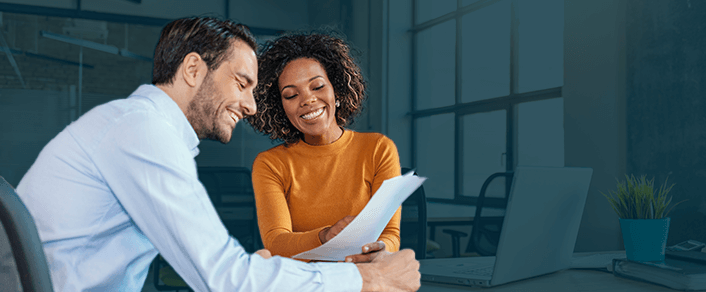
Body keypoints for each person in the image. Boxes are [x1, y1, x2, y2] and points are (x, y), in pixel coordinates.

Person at [15, 17, 420, 292]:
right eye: (242, 83)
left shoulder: (138, 128)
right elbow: (222, 278)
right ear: (193, 70)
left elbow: (217, 270)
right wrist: (367, 281)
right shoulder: (141, 132)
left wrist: (261, 269)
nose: (252, 105)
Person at [249, 32, 401, 263]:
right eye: (291, 95)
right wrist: (325, 236)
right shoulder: (270, 163)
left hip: (362, 277)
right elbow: (276, 242)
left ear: (336, 91)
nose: (307, 100)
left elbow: (390, 234)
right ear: (281, 108)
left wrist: (380, 250)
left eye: (317, 86)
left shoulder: (379, 149)